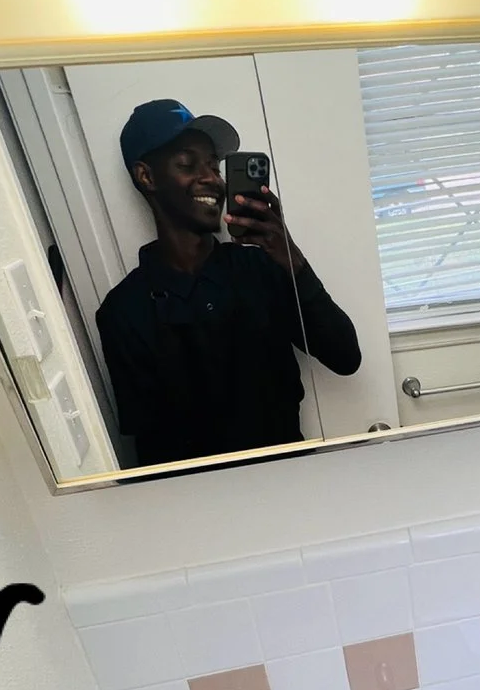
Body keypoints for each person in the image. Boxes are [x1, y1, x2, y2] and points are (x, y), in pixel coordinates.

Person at [94, 98, 360, 468]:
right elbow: (153, 453)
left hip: (296, 485)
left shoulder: (262, 268)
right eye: (188, 163)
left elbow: (346, 357)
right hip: (208, 508)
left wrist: (290, 256)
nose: (212, 179)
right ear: (147, 176)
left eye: (214, 166)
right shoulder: (124, 311)